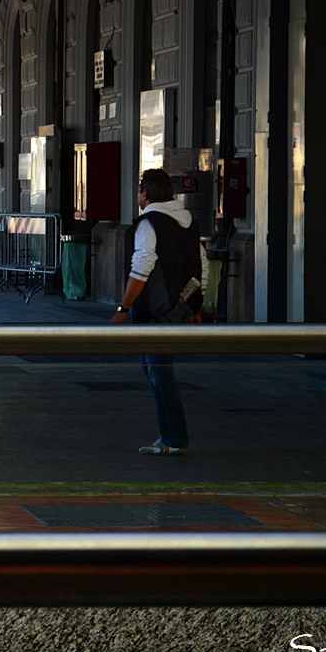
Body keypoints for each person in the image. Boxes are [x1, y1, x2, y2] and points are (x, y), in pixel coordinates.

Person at [111, 169, 209, 456]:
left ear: (145, 194)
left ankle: (175, 439)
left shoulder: (148, 223)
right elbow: (202, 265)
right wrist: (195, 305)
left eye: (140, 191)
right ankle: (171, 436)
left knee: (159, 372)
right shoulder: (189, 224)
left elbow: (142, 267)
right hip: (181, 306)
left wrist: (123, 307)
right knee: (156, 368)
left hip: (157, 310)